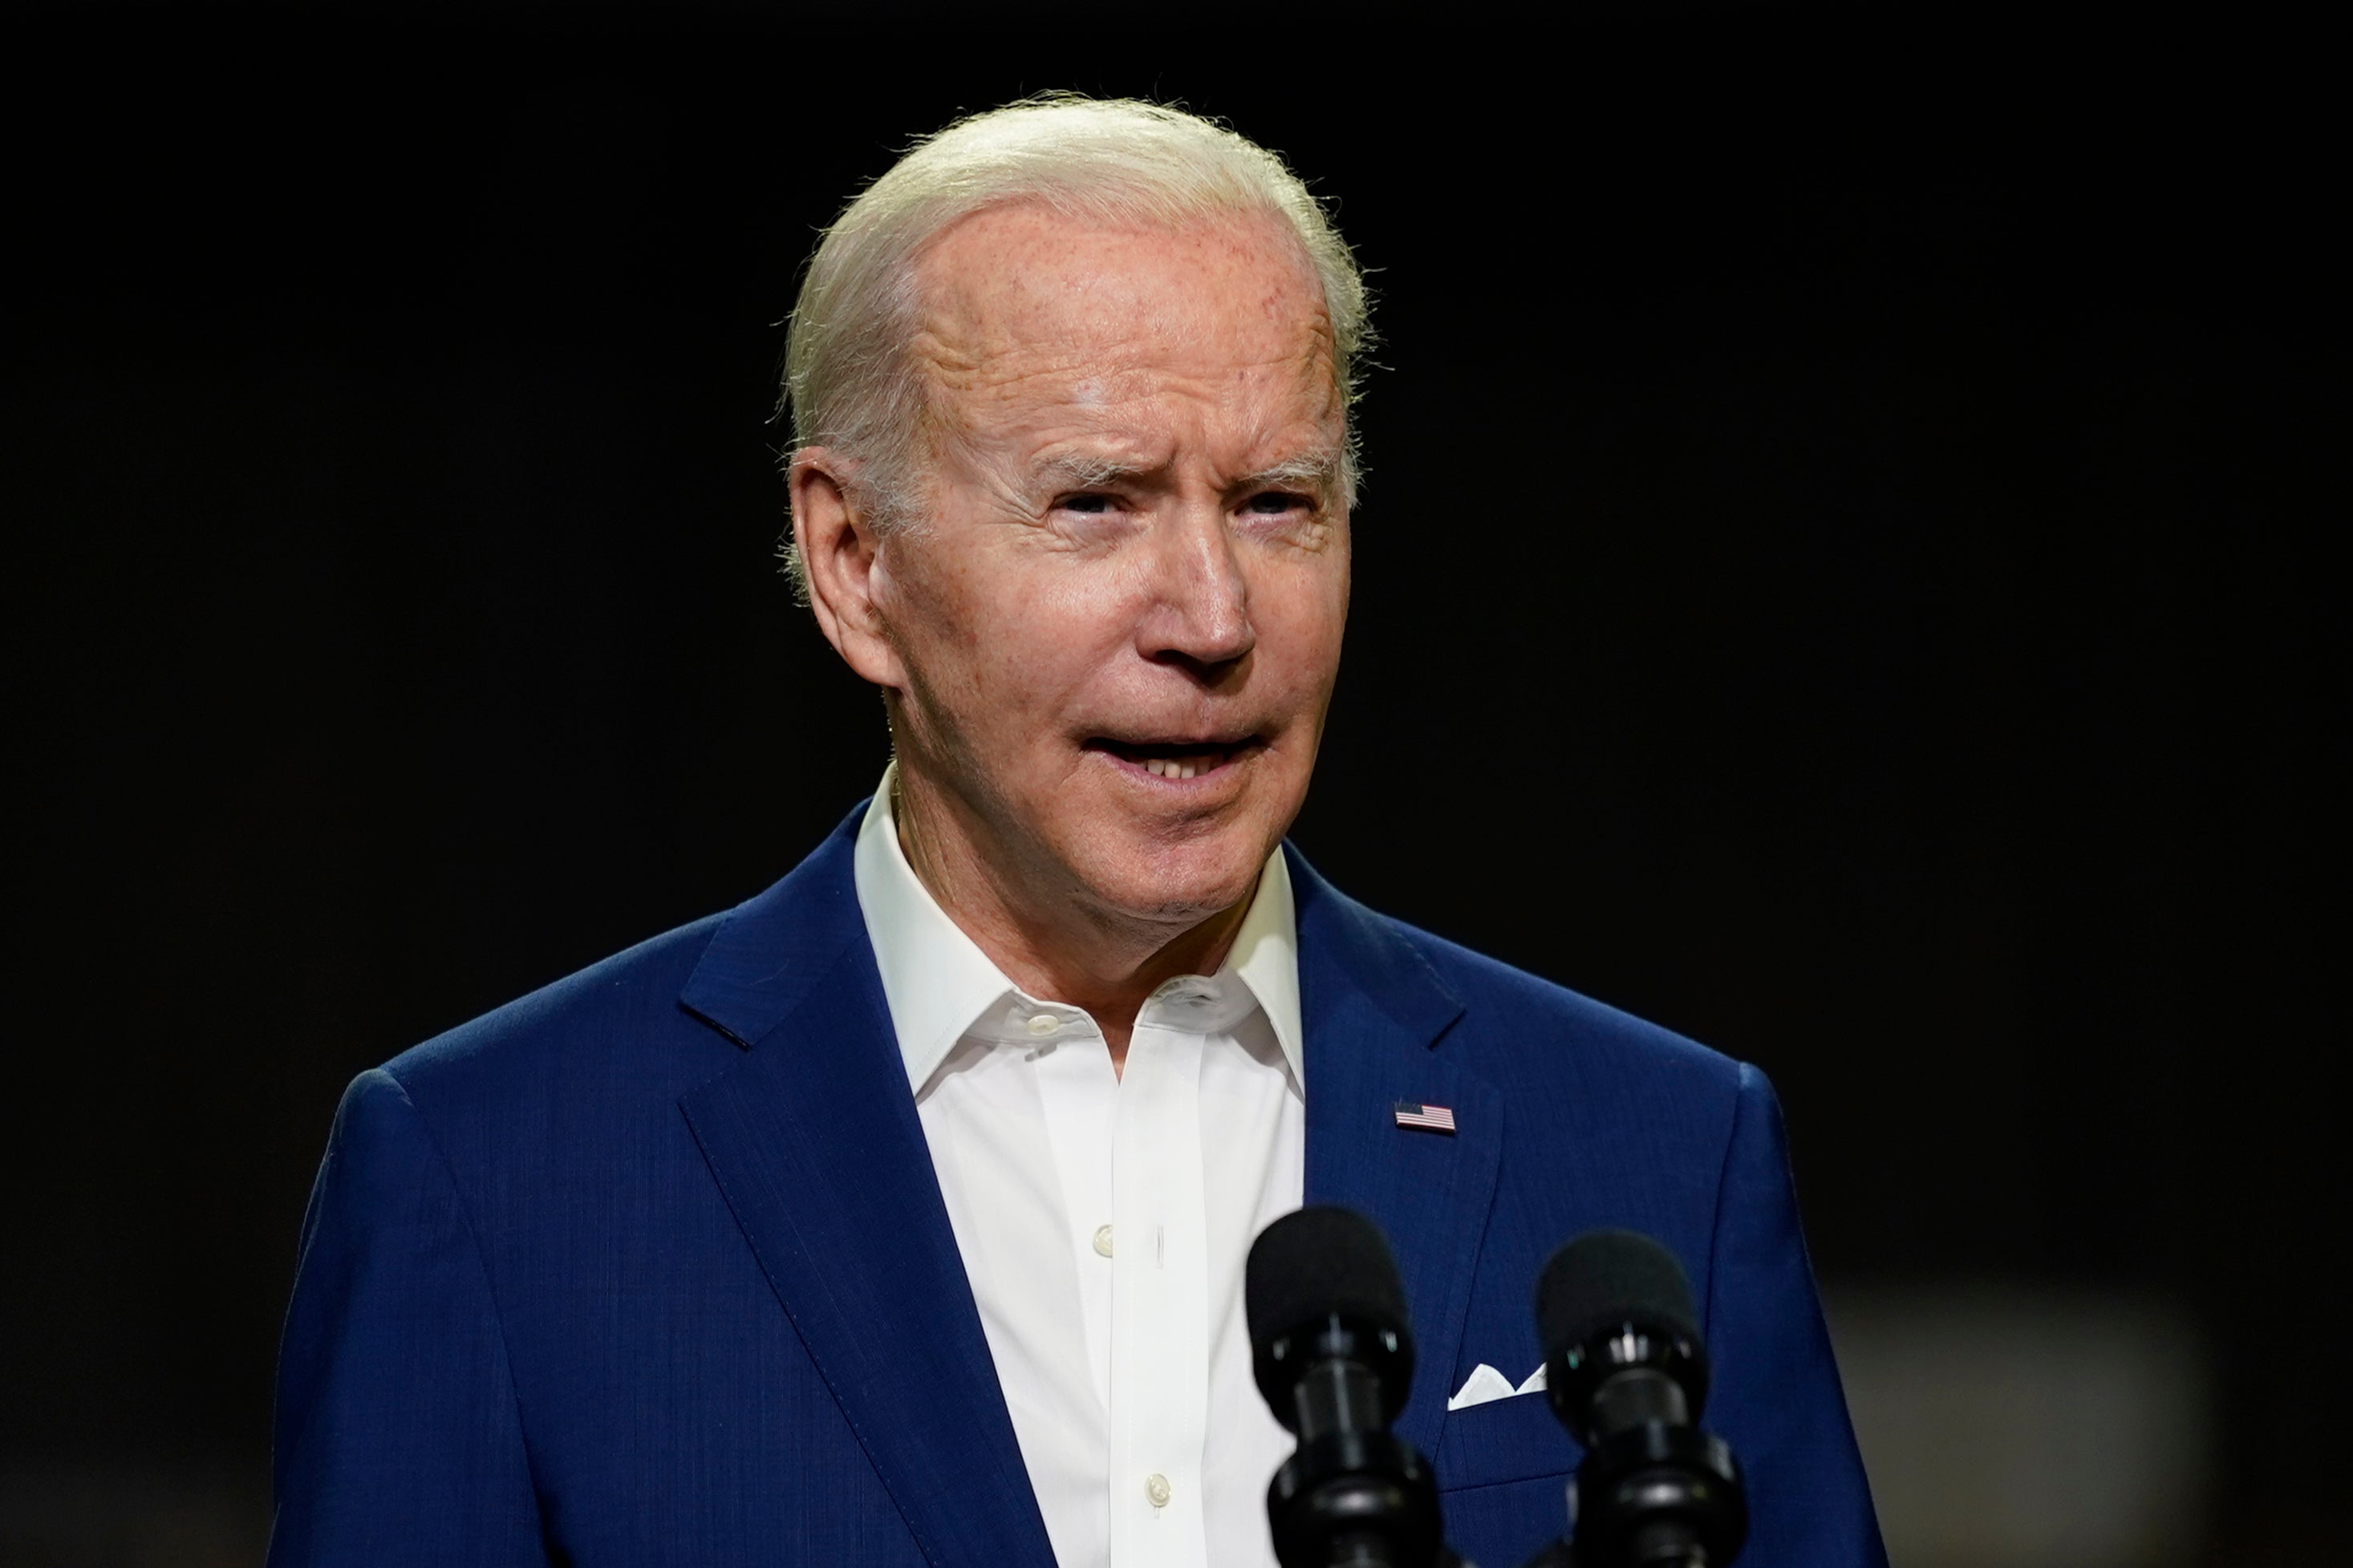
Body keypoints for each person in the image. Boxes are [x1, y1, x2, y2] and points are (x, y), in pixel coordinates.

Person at [269, 97, 1885, 1568]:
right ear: (855, 564)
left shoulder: (1660, 1151)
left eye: (1276, 502)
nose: (1212, 615)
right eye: (1098, 500)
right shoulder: (499, 1182)